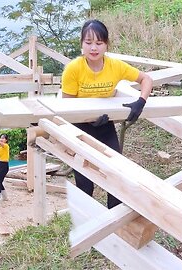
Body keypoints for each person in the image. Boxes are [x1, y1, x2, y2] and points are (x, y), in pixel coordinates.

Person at [61, 19, 152, 209]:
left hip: (105, 126)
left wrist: (140, 102)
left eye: (99, 43)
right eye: (88, 42)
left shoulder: (115, 66)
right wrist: (86, 119)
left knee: (116, 174)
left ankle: (113, 221)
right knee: (85, 180)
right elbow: (67, 107)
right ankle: (87, 222)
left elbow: (146, 79)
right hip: (80, 128)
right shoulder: (73, 68)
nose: (93, 48)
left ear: (106, 45)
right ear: (81, 44)